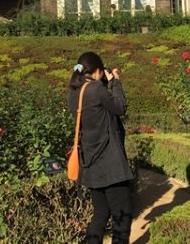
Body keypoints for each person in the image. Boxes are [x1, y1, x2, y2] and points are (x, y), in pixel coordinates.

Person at [67, 52, 133, 244]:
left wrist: (103, 82)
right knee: (122, 215)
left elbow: (99, 110)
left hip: (91, 164)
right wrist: (116, 82)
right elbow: (120, 108)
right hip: (111, 165)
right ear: (98, 70)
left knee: (101, 214)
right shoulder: (96, 89)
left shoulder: (74, 93)